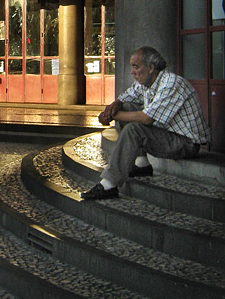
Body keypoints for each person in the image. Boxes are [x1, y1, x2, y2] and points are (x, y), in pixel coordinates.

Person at [81, 46, 211, 200]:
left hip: (187, 143)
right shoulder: (147, 82)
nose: (132, 72)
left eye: (136, 67)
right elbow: (128, 96)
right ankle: (142, 164)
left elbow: (146, 118)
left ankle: (108, 184)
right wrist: (115, 104)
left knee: (134, 129)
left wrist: (112, 117)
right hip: (168, 134)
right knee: (127, 107)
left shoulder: (171, 84)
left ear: (151, 68)